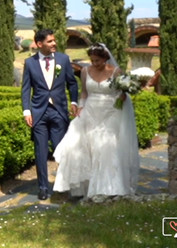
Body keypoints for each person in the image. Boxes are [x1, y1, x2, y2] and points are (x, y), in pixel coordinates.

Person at [52, 43, 139, 197]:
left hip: (111, 112)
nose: (94, 64)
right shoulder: (85, 71)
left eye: (97, 60)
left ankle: (110, 188)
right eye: (92, 60)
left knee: (105, 146)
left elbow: (123, 92)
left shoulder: (116, 72)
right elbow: (84, 92)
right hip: (90, 111)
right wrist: (80, 106)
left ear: (105, 58)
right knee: (78, 143)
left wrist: (123, 95)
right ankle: (86, 185)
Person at [21, 29, 79, 200]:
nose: (54, 43)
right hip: (38, 113)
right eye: (50, 41)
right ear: (39, 44)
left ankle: (64, 186)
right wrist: (26, 111)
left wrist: (74, 102)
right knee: (40, 152)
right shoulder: (29, 63)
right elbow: (25, 89)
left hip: (59, 112)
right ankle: (43, 188)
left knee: (62, 152)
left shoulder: (63, 59)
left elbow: (72, 83)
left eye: (54, 41)